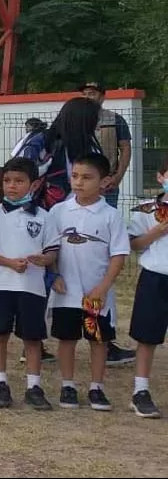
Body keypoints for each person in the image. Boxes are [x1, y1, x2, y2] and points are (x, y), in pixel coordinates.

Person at [0, 157, 59, 410]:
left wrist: (43, 259)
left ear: (34, 185)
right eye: (7, 181)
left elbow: (53, 252)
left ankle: (34, 386)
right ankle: (0, 383)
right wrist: (9, 263)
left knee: (32, 339)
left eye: (19, 181)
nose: (12, 186)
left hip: (32, 288)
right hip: (0, 286)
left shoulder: (45, 217)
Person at [46, 153, 129, 411]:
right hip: (66, 293)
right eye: (75, 176)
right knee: (67, 339)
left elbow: (118, 255)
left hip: (95, 295)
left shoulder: (110, 215)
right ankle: (68, 385)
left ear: (104, 181)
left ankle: (96, 387)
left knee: (97, 340)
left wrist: (103, 288)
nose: (79, 182)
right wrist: (54, 275)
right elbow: (50, 249)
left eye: (87, 177)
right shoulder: (58, 211)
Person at [126, 158, 168, 419]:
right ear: (161, 177)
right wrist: (158, 231)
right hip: (155, 276)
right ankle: (140, 391)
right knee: (147, 336)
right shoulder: (145, 211)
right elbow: (134, 244)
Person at [79, 83, 131, 209]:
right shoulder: (76, 120)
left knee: (107, 220)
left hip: (108, 182)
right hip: (81, 181)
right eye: (84, 94)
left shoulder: (114, 119)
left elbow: (125, 148)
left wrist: (118, 177)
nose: (87, 97)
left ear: (102, 97)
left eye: (92, 94)